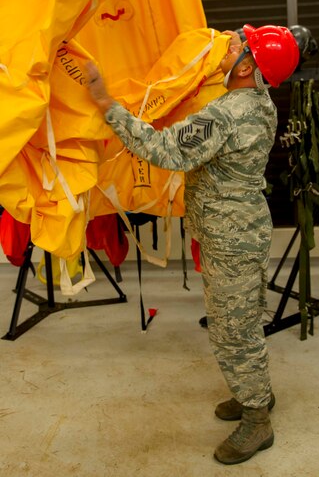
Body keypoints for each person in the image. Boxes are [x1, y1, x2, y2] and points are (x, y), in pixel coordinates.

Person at [86, 24, 299, 465]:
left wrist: (108, 105)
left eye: (240, 46)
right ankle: (253, 393)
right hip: (241, 231)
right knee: (240, 322)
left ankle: (257, 419)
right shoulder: (261, 102)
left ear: (247, 67)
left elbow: (165, 150)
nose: (229, 47)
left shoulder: (226, 114)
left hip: (231, 240)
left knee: (232, 333)